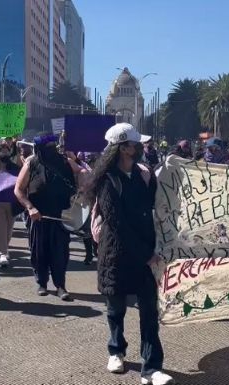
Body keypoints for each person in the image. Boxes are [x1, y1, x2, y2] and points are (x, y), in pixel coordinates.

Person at [88, 123, 174, 385]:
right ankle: (116, 351)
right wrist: (145, 254)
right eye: (137, 144)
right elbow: (116, 224)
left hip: (146, 254)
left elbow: (158, 206)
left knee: (149, 312)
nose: (141, 148)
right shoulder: (106, 180)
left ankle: (152, 368)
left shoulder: (145, 175)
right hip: (116, 254)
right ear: (124, 148)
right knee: (116, 308)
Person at [14, 132, 80, 300]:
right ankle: (42, 283)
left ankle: (60, 286)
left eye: (53, 147)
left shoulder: (66, 162)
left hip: (61, 216)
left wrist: (81, 189)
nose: (51, 150)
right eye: (47, 148)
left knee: (60, 252)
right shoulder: (32, 163)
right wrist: (30, 208)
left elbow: (84, 177)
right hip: (38, 217)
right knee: (39, 251)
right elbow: (19, 190)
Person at [0, 143, 21, 268]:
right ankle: (3, 253)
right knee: (1, 227)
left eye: (6, 153)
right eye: (2, 153)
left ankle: (4, 247)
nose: (4, 155)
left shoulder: (16, 169)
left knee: (9, 230)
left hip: (12, 203)